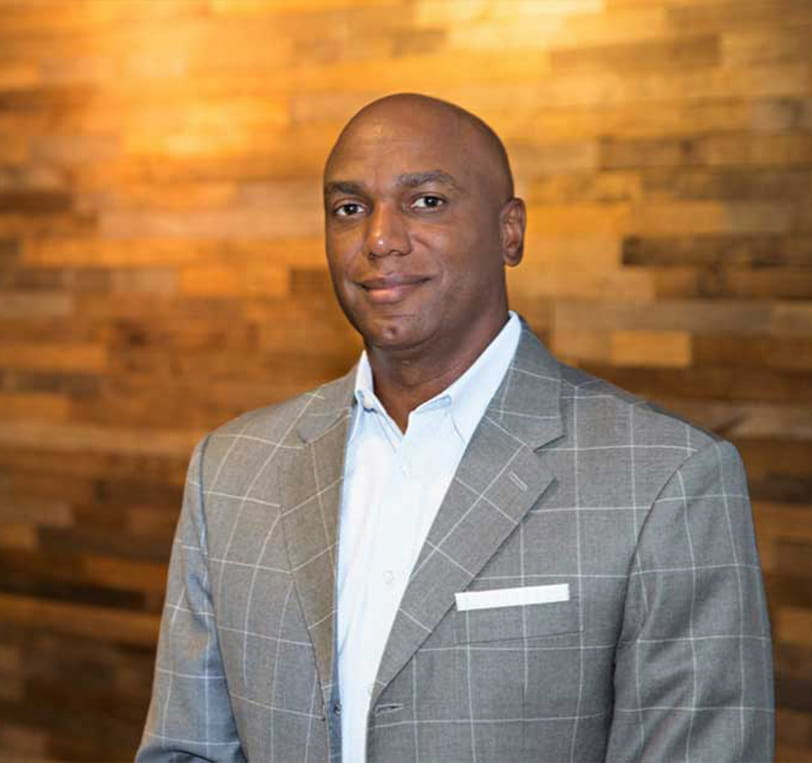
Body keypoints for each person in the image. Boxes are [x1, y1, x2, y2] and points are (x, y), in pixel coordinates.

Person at [136, 94, 773, 763]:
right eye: (349, 208)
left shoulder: (666, 478)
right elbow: (188, 749)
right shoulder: (232, 469)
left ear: (510, 233)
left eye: (427, 201)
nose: (380, 237)